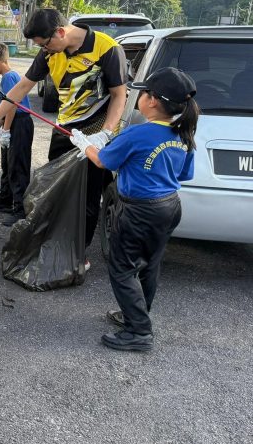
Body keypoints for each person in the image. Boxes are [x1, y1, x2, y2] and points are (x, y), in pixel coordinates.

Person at [68, 67, 198, 352]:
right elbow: (184, 175)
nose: (136, 96)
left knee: (122, 269)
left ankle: (139, 330)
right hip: (168, 207)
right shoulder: (184, 133)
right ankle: (136, 314)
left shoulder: (139, 133)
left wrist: (84, 143)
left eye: (142, 93)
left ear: (152, 101)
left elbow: (102, 161)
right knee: (149, 265)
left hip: (138, 211)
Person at [0, 8, 127, 259]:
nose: (45, 50)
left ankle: (76, 254)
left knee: (87, 195)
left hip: (95, 134)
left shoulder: (106, 48)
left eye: (45, 44)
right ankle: (55, 240)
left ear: (60, 32)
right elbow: (22, 87)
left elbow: (119, 95)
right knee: (56, 188)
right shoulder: (48, 53)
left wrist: (104, 134)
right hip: (64, 130)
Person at [0, 42, 34, 223]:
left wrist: (5, 131)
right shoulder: (7, 78)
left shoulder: (9, 77)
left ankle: (20, 210)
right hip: (11, 124)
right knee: (7, 163)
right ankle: (6, 198)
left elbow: (12, 106)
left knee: (17, 167)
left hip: (20, 123)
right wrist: (0, 127)